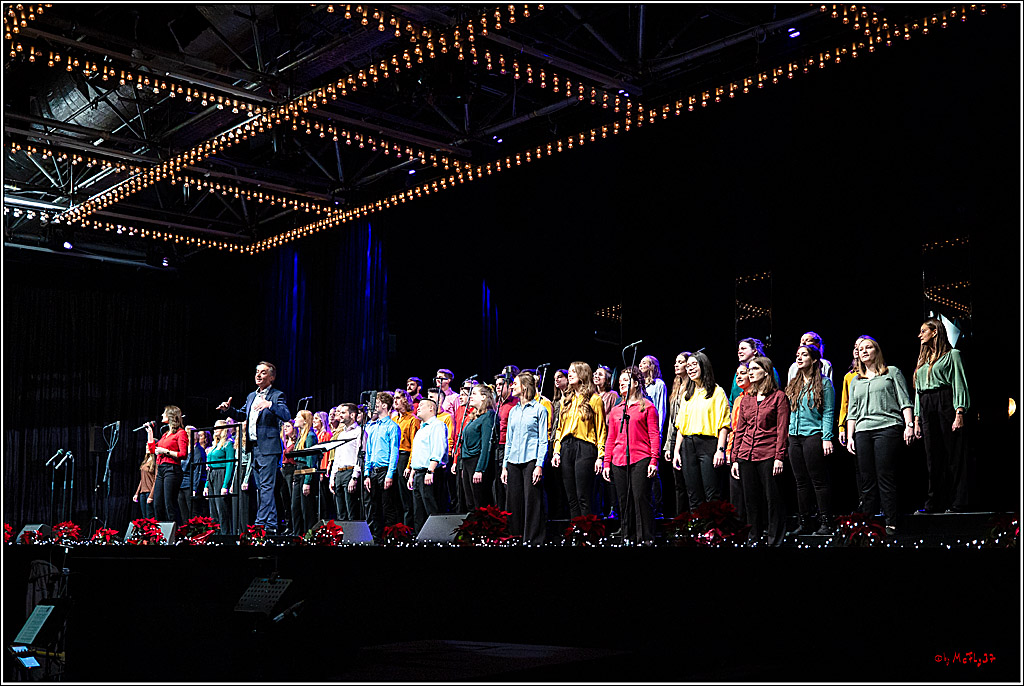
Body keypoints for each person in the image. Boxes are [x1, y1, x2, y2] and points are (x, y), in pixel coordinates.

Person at [847, 336, 915, 535]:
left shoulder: (891, 372)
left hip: (887, 427)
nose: (864, 351)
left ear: (877, 351)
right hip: (862, 431)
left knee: (885, 475)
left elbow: (904, 401)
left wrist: (909, 425)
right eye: (861, 349)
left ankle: (891, 521)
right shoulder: (856, 380)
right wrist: (850, 436)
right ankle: (868, 524)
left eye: (868, 347)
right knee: (866, 480)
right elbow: (852, 412)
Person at [217, 361, 291, 532]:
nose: (258, 375)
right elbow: (242, 414)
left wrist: (270, 405)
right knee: (262, 488)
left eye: (263, 372)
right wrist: (229, 410)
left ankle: (260, 524)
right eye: (257, 371)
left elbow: (286, 415)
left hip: (269, 448)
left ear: (271, 377)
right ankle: (270, 525)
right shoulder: (251, 396)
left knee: (266, 487)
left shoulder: (277, 395)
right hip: (254, 448)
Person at [913, 317, 970, 513]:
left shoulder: (953, 355)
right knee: (933, 456)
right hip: (926, 405)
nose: (920, 335)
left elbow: (959, 383)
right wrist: (917, 418)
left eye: (923, 331)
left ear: (935, 332)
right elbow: (918, 391)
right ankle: (934, 501)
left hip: (945, 401)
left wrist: (959, 412)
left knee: (953, 453)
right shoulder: (923, 360)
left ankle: (959, 501)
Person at [730, 356, 788, 545]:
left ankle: (774, 540)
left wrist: (779, 457)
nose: (751, 372)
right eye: (750, 369)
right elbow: (740, 430)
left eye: (755, 369)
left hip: (768, 454)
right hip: (746, 454)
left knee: (773, 500)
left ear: (766, 372)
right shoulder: (746, 399)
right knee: (751, 500)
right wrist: (735, 458)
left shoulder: (778, 397)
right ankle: (753, 538)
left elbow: (782, 430)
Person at [602, 366, 660, 545]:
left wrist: (654, 460)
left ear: (636, 383)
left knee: (641, 498)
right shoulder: (616, 410)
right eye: (620, 381)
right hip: (618, 459)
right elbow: (611, 437)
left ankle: (645, 538)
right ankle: (628, 537)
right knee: (624, 501)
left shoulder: (647, 407)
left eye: (626, 380)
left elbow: (653, 435)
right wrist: (606, 463)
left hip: (641, 458)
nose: (621, 383)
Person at [784, 344, 836, 535]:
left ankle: (826, 523)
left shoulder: (824, 383)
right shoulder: (794, 384)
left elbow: (828, 411)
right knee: (800, 482)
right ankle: (804, 523)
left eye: (804, 355)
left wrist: (827, 437)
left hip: (813, 435)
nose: (799, 358)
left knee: (818, 481)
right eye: (797, 355)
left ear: (814, 359)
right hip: (794, 437)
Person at [671, 352, 731, 512]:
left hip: (708, 445)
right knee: (693, 495)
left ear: (703, 366)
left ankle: (713, 527)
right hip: (688, 446)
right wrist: (676, 451)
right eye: (688, 366)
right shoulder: (687, 395)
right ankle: (697, 527)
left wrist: (720, 450)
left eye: (694, 365)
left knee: (712, 494)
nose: (690, 369)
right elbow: (681, 426)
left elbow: (724, 424)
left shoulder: (717, 392)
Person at [552, 361, 607, 518]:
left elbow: (601, 429)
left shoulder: (594, 399)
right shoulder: (566, 400)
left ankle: (587, 530)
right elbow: (560, 428)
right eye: (569, 371)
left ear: (583, 374)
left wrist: (600, 456)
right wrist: (556, 451)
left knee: (584, 496)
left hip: (585, 448)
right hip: (566, 447)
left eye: (573, 371)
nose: (569, 374)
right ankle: (575, 530)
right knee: (571, 498)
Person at [502, 371, 548, 544]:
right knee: (513, 501)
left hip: (531, 460)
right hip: (513, 460)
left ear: (525, 386)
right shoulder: (513, 411)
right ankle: (515, 537)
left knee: (532, 501)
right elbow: (509, 440)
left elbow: (543, 440)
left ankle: (533, 539)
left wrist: (539, 465)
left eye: (515, 383)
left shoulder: (539, 409)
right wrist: (504, 466)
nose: (512, 386)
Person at [362, 392, 402, 541]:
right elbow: (369, 452)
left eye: (376, 403)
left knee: (388, 507)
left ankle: (390, 537)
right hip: (373, 471)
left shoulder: (392, 426)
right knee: (374, 507)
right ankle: (376, 537)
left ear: (384, 405)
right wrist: (367, 473)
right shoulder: (372, 427)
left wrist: (390, 474)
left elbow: (394, 452)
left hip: (385, 470)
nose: (373, 406)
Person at [407, 397, 449, 533]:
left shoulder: (437, 425)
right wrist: (412, 474)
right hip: (419, 474)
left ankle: (436, 537)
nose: (418, 407)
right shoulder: (421, 429)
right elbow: (418, 454)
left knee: (432, 509)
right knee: (418, 512)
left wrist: (430, 470)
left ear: (431, 408)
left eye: (421, 405)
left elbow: (438, 448)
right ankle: (420, 538)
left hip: (430, 473)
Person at [145, 405, 189, 525]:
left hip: (172, 469)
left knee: (170, 503)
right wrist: (150, 433)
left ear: (171, 416)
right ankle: (161, 531)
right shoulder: (165, 435)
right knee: (157, 503)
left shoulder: (181, 433)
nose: (162, 415)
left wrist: (165, 451)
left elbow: (183, 454)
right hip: (162, 469)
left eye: (164, 413)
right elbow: (152, 449)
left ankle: (176, 530)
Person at [659, 352, 690, 520]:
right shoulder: (676, 386)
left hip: (688, 437)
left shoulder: (692, 386)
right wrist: (668, 445)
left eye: (680, 362)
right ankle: (680, 520)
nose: (676, 365)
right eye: (676, 362)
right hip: (675, 438)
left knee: (690, 482)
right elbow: (672, 419)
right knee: (678, 484)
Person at [459, 384, 497, 509]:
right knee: (470, 502)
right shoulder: (475, 417)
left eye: (474, 393)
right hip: (468, 463)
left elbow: (486, 446)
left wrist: (479, 469)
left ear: (484, 397)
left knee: (480, 501)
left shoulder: (488, 416)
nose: (470, 396)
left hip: (477, 462)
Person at [723, 362, 750, 521]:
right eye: (737, 374)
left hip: (751, 448)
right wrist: (729, 451)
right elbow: (734, 428)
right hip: (736, 448)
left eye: (743, 373)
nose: (738, 377)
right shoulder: (739, 399)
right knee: (736, 493)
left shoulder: (754, 398)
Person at [329, 403, 364, 520]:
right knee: (340, 513)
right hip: (339, 473)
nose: (340, 415)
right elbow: (337, 457)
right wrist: (332, 478)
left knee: (351, 511)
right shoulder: (341, 434)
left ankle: (353, 532)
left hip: (350, 472)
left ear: (352, 415)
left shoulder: (359, 432)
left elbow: (360, 456)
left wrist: (354, 477)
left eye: (343, 413)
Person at [492, 366, 520, 511]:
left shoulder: (515, 403)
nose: (497, 387)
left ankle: (510, 514)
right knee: (496, 483)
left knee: (507, 481)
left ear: (509, 386)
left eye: (500, 384)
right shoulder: (496, 404)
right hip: (497, 446)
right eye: (496, 385)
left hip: (509, 446)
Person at [450, 379, 478, 514]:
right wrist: (455, 461)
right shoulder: (459, 410)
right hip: (460, 454)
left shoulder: (474, 412)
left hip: (470, 454)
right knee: (460, 490)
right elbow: (457, 437)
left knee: (470, 490)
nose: (460, 398)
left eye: (464, 395)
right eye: (460, 395)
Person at [393, 389, 421, 526]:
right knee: (395, 496)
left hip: (405, 457)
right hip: (394, 458)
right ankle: (397, 527)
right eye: (394, 398)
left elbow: (415, 444)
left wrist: (409, 465)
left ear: (405, 400)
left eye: (398, 398)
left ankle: (408, 527)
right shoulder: (393, 419)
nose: (395, 401)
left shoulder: (412, 420)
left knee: (406, 497)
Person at [204, 420, 236, 534]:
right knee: (213, 510)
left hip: (221, 475)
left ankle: (225, 534)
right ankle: (215, 535)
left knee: (221, 508)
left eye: (217, 427)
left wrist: (225, 485)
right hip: (212, 475)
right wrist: (206, 485)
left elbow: (230, 465)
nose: (215, 429)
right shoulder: (215, 445)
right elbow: (209, 467)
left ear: (224, 429)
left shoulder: (228, 444)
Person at [427, 387, 456, 511]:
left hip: (441, 461)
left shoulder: (446, 417)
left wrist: (445, 459)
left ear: (439, 400)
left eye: (431, 397)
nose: (428, 399)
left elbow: (449, 439)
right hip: (428, 459)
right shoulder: (427, 419)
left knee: (441, 491)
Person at [290, 410, 320, 533]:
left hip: (305, 472)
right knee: (295, 507)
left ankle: (309, 534)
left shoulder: (310, 436)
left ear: (305, 421)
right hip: (298, 473)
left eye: (298, 417)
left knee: (306, 508)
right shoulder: (300, 436)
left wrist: (307, 481)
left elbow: (310, 460)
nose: (295, 419)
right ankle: (297, 534)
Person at [639, 355, 667, 432]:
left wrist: (658, 430)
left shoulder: (658, 384)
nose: (640, 365)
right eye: (640, 363)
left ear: (651, 366)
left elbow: (661, 408)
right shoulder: (638, 385)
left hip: (651, 424)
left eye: (644, 363)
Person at [133, 453, 156, 519]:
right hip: (142, 492)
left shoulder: (154, 461)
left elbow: (156, 479)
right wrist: (136, 493)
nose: (147, 448)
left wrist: (151, 495)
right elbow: (142, 479)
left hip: (150, 491)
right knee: (144, 516)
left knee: (149, 515)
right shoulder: (145, 460)